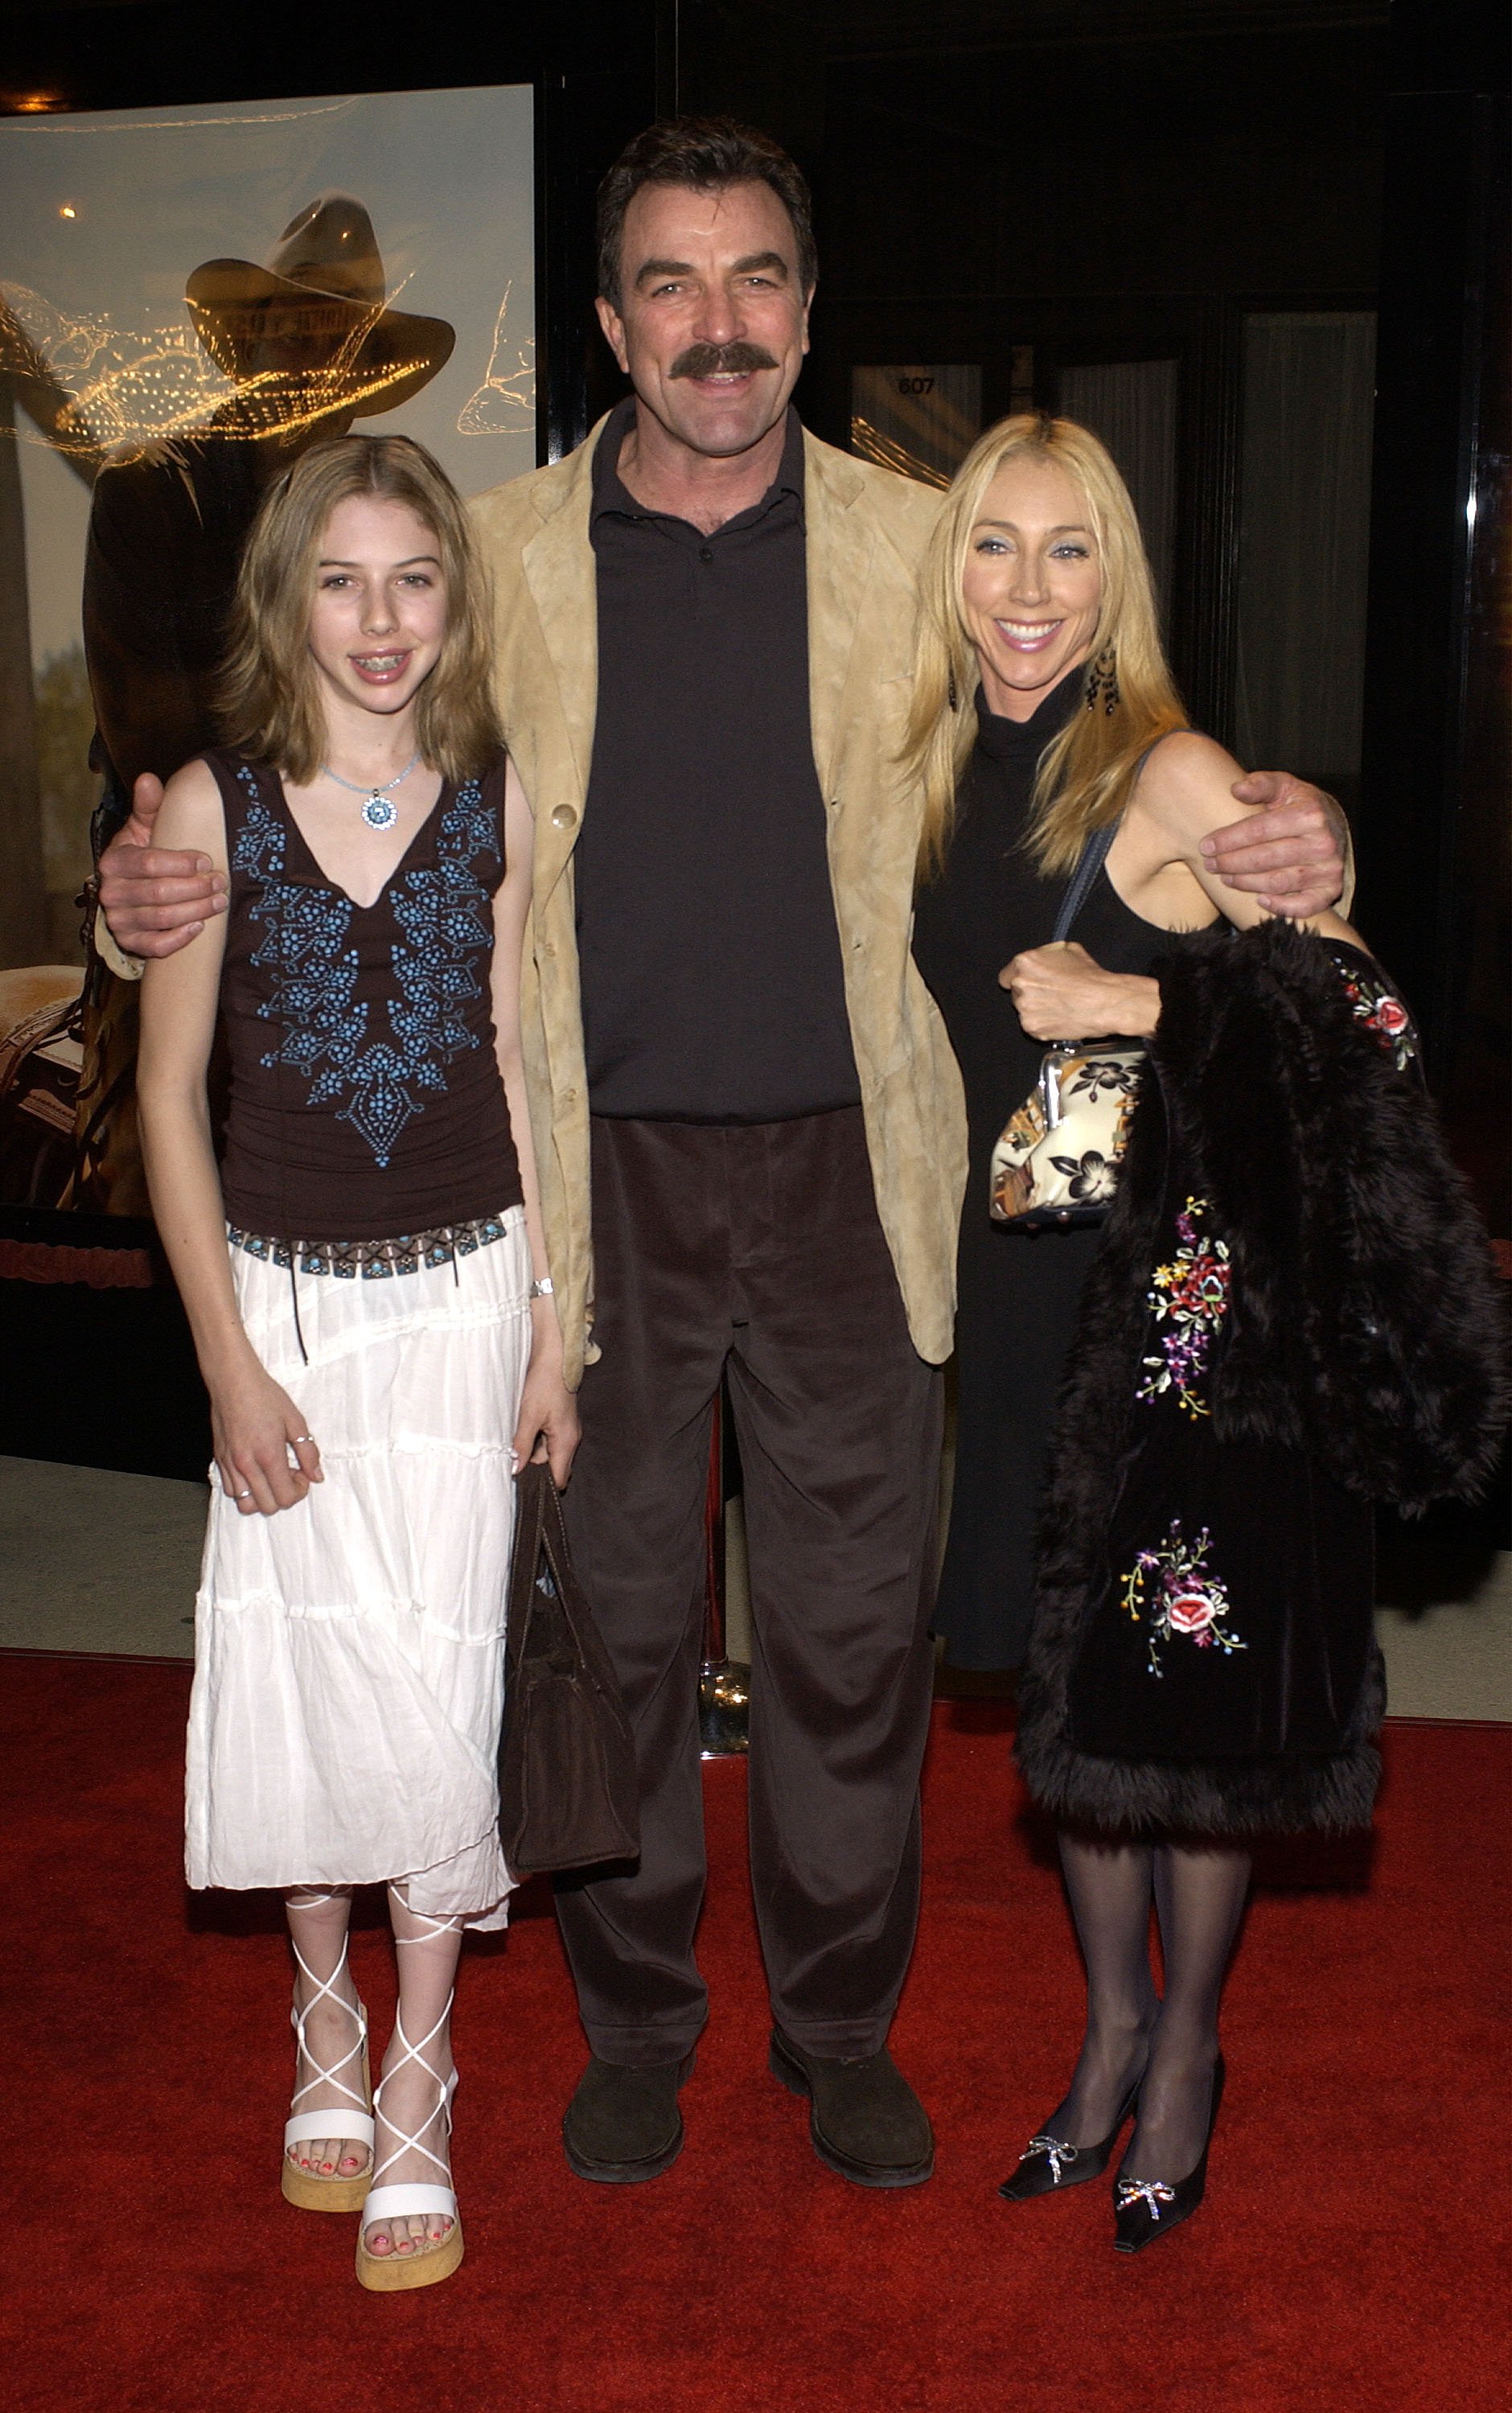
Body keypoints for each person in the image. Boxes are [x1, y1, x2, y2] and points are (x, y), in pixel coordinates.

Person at [101, 119, 1347, 2194]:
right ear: (607, 322)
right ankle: (638, 2016)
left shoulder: (915, 540)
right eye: (668, 285)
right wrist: (164, 857)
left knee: (854, 1638)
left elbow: (1090, 690)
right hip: (586, 1186)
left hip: (860, 1173)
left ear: (805, 305)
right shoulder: (487, 550)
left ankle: (837, 2024)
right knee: (610, 1614)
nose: (715, 326)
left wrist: (1293, 829)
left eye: (754, 278)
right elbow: (336, 730)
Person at [906, 410, 1503, 2247]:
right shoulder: (923, 758)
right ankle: (1098, 2037)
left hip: (1177, 1309)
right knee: (1067, 1689)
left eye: (1066, 549)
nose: (1024, 590)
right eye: (992, 548)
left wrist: (1133, 996)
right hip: (1019, 1289)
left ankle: (1183, 2050)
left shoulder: (1163, 768)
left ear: (1117, 577)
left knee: (1187, 1688)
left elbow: (1355, 1021)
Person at [134, 433, 577, 2292]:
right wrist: (227, 1365)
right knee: (309, 1677)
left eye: (414, 578)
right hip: (285, 1306)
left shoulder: (495, 787)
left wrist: (562, 1311)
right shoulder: (205, 809)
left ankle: (420, 2063)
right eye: (342, 578)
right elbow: (163, 1101)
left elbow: (519, 1059)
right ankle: (321, 2002)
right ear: (285, 598)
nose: (382, 618)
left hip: (468, 1298)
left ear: (452, 599)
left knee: (432, 1685)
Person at [80, 195, 455, 1213]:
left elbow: (446, 715)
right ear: (240, 348)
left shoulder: (392, 512)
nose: (308, 349)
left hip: (366, 911)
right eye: (283, 324)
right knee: (137, 1224)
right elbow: (156, 749)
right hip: (188, 904)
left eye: (334, 330)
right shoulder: (153, 491)